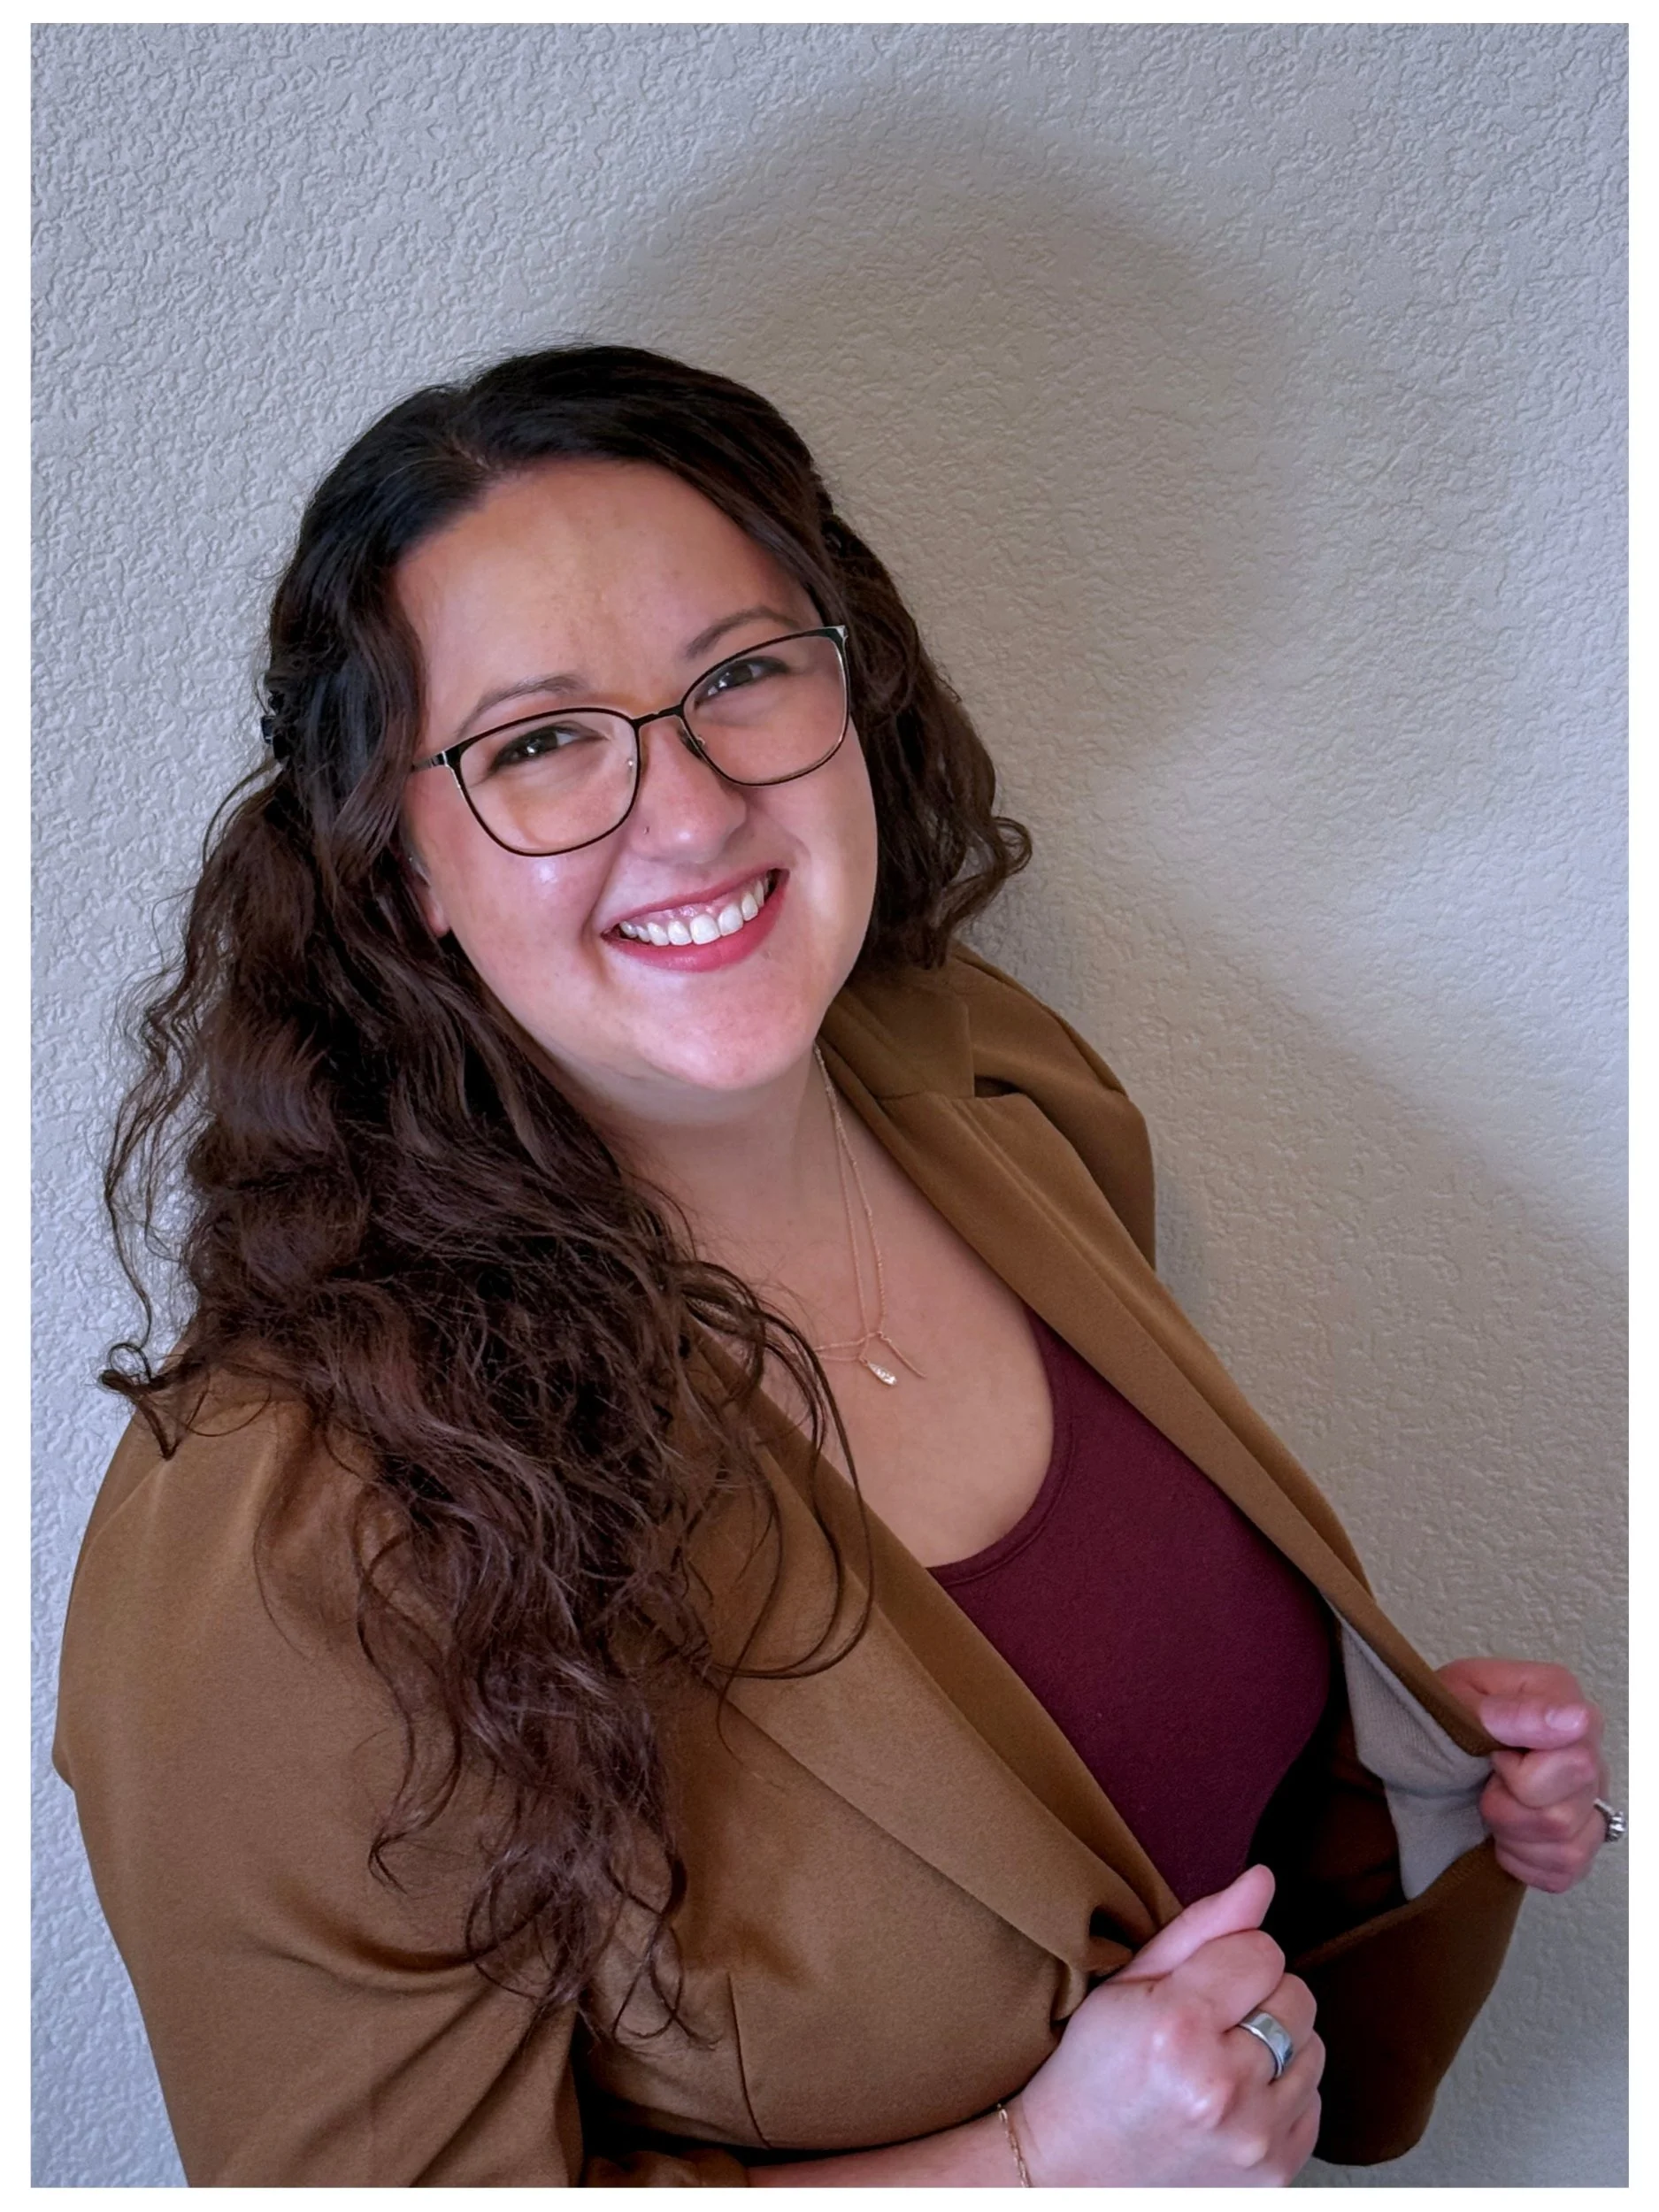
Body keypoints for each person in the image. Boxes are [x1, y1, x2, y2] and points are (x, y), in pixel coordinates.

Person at [55, 345, 1618, 2188]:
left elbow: (1101, 1776)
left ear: (850, 688)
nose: (689, 808)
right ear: (398, 864)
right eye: (539, 741)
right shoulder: (295, 1522)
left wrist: (1403, 1779)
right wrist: (1026, 2170)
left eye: (738, 674)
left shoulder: (996, 1084)